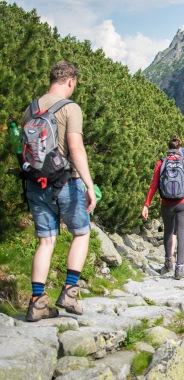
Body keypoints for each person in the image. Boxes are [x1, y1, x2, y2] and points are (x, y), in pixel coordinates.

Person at [24, 61, 97, 322]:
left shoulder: (31, 108)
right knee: (81, 233)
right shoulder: (70, 108)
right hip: (66, 181)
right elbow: (75, 149)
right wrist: (89, 184)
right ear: (71, 81)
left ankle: (37, 301)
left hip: (35, 183)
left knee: (46, 241)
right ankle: (69, 291)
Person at [142, 136, 184, 279]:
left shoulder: (161, 162)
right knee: (181, 234)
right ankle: (179, 269)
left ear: (168, 148)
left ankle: (168, 262)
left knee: (168, 232)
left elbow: (154, 185)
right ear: (180, 148)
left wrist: (146, 205)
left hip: (167, 203)